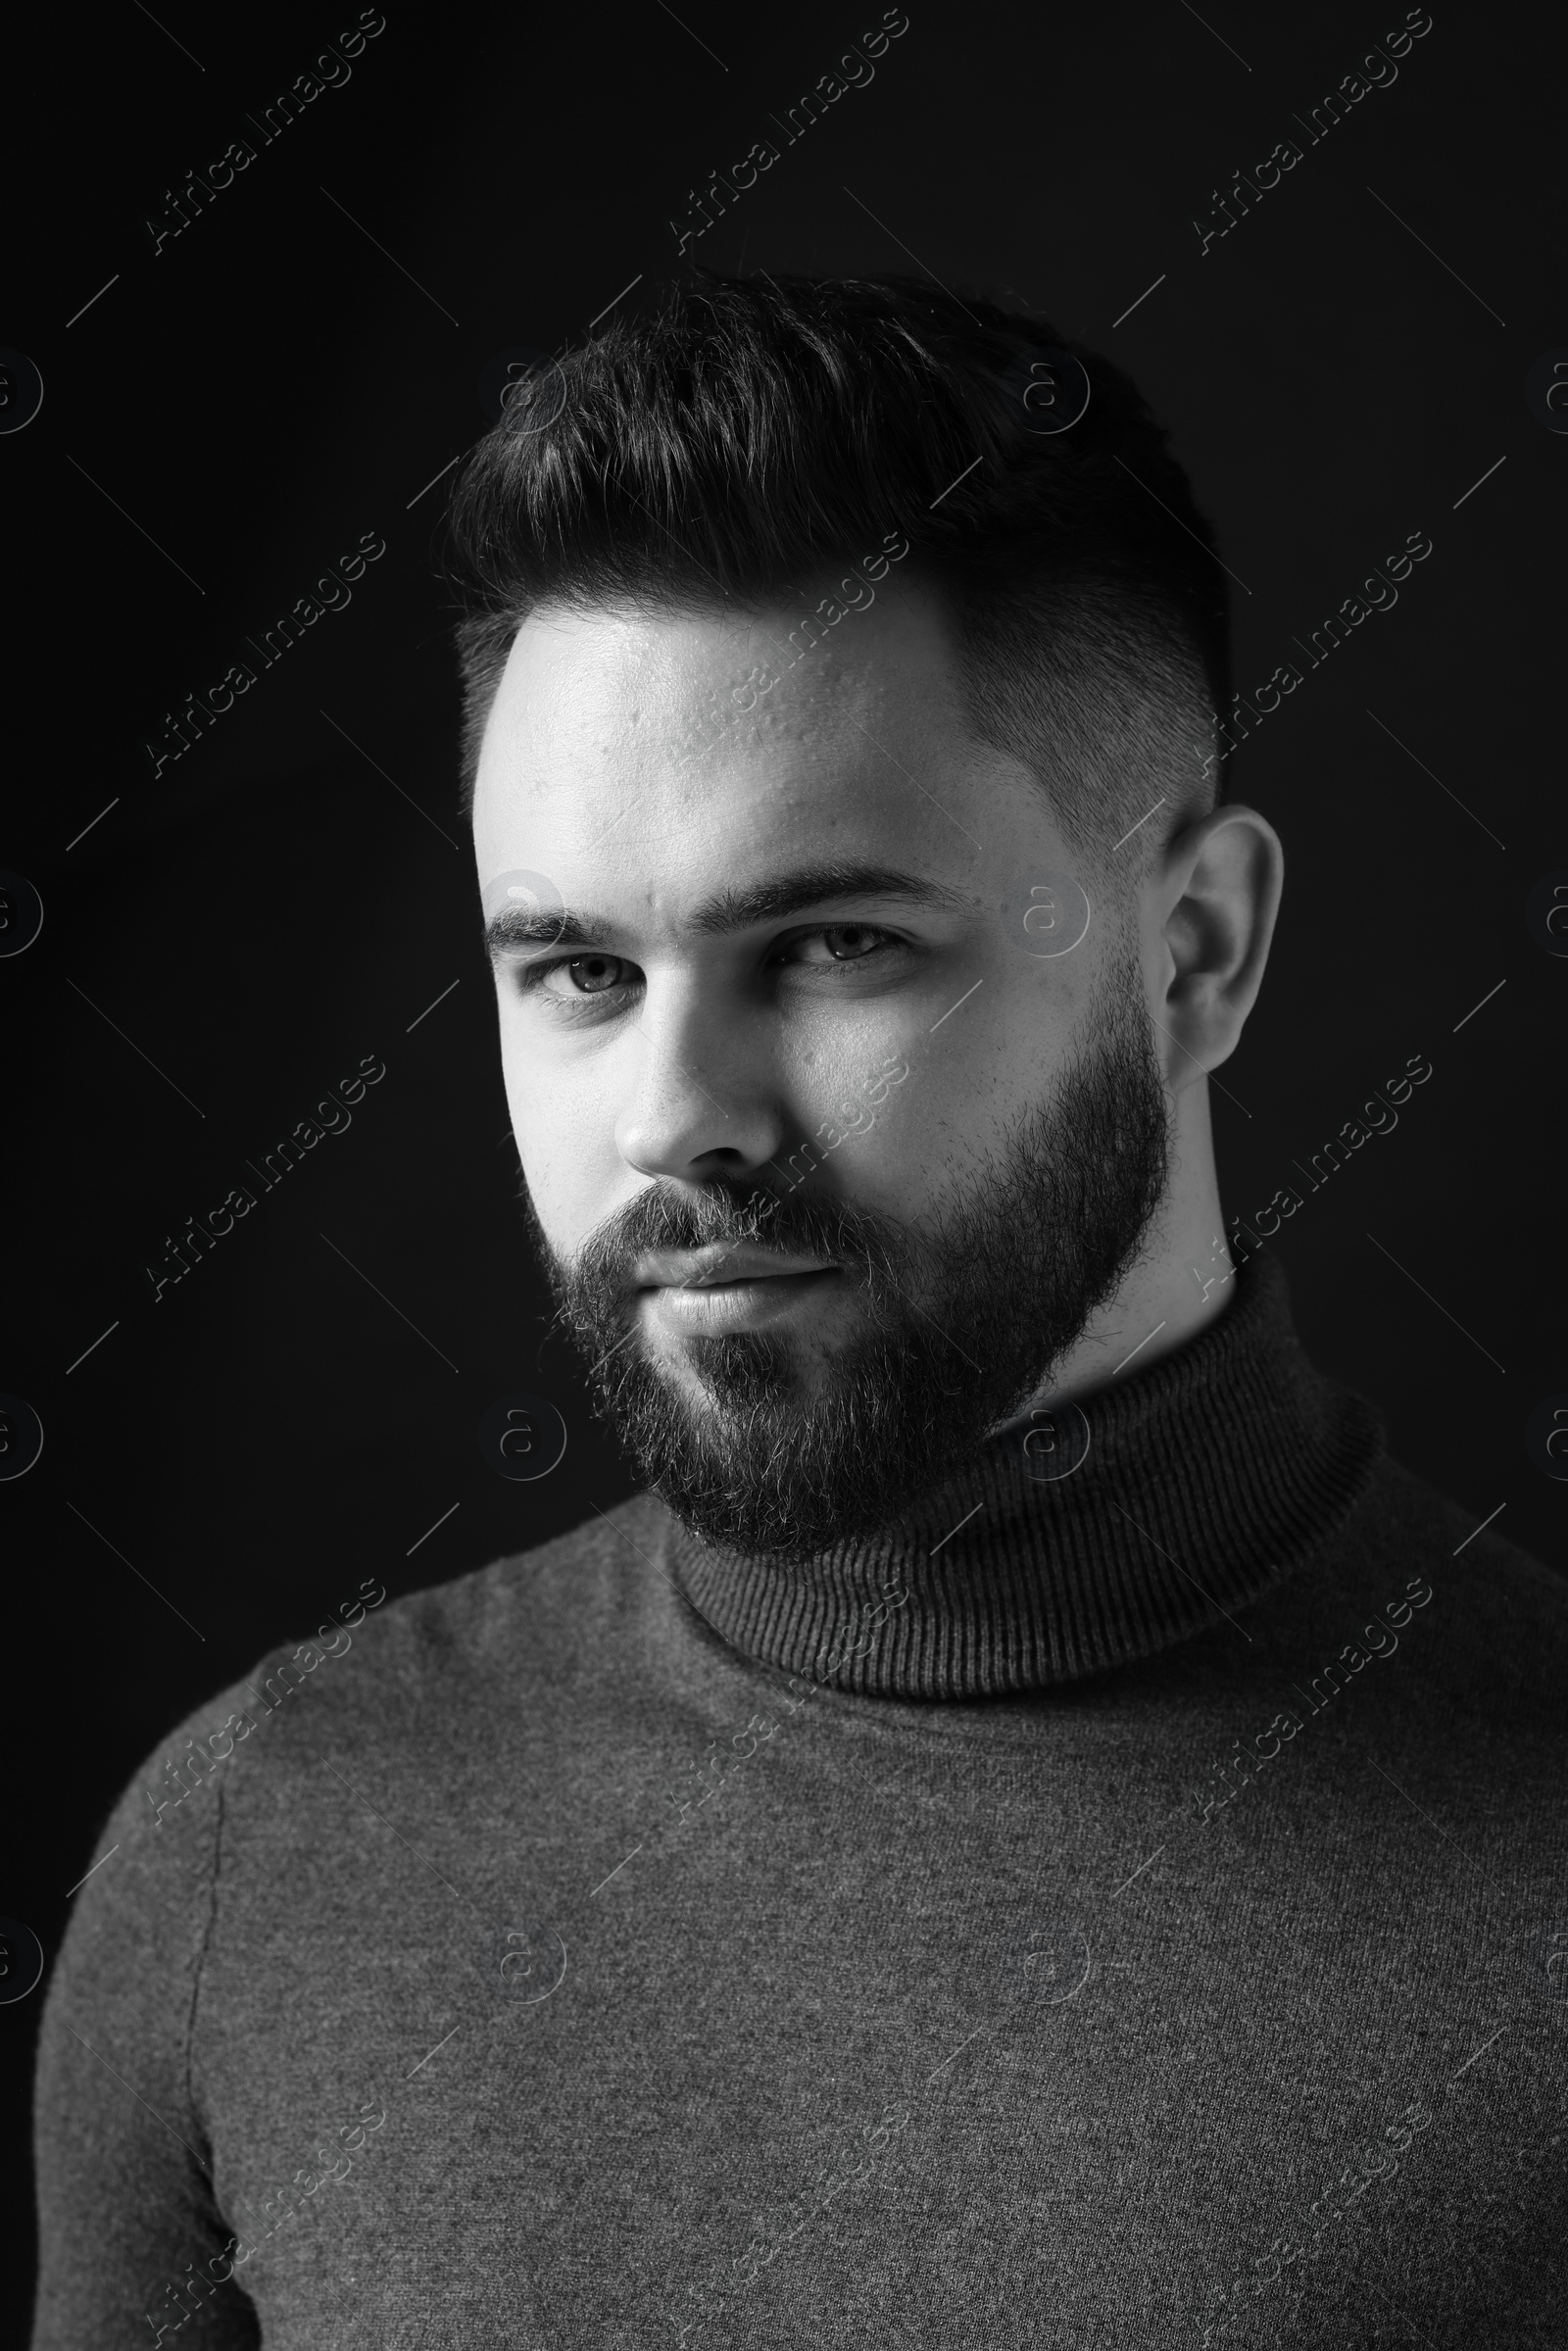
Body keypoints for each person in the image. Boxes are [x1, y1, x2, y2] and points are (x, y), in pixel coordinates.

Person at [32, 272, 1565, 2349]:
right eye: (576, 970)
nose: (674, 1113)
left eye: (833, 942)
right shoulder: (255, 1854)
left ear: (1192, 953)